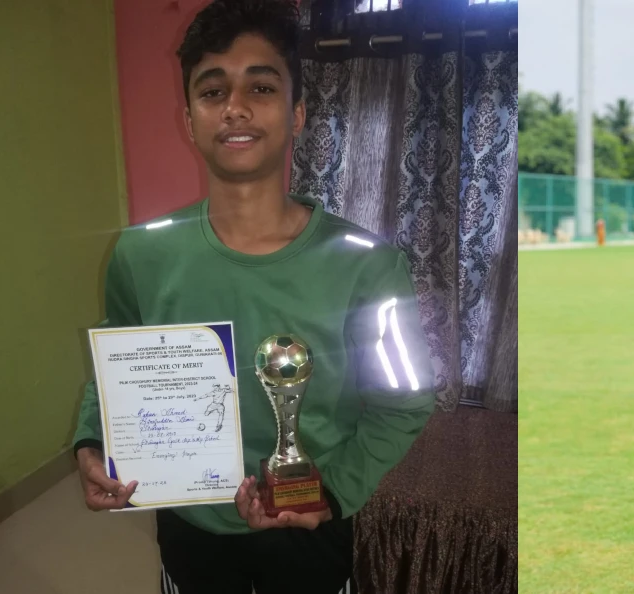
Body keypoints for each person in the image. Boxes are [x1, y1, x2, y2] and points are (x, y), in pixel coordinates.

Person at [70, 2, 436, 592]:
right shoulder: (140, 254)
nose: (235, 107)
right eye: (212, 91)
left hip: (306, 525)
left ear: (297, 115)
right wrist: (94, 439)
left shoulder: (369, 265)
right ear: (189, 119)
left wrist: (334, 491)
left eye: (260, 87)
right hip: (189, 524)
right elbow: (116, 361)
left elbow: (406, 403)